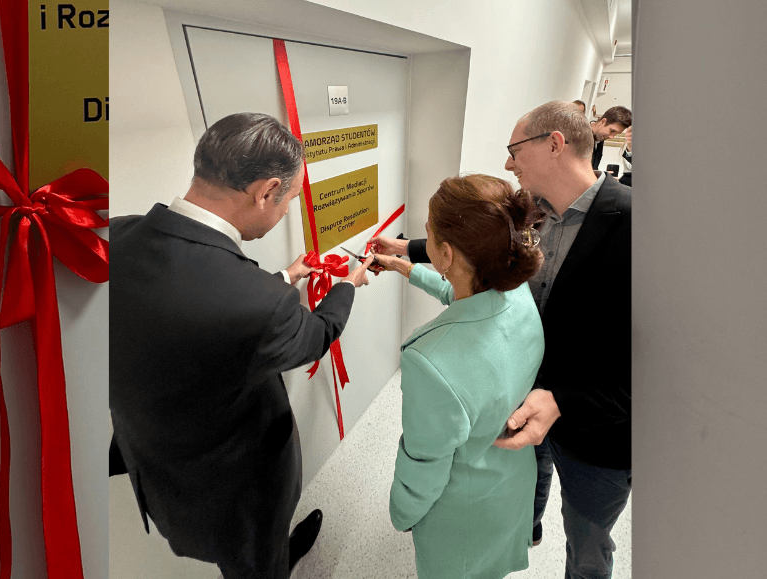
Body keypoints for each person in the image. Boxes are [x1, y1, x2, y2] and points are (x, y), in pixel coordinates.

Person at [371, 100, 631, 579]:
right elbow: (474, 270)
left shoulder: (638, 227)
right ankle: (524, 528)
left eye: (515, 150)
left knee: (589, 548)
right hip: (521, 413)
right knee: (531, 484)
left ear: (554, 145)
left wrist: (564, 400)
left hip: (598, 433)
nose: (508, 163)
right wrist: (410, 260)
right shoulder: (527, 225)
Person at [109, 112, 375, 579]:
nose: (287, 210)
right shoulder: (261, 304)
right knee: (256, 566)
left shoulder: (114, 237)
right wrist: (348, 285)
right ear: (266, 191)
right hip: (237, 491)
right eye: (289, 199)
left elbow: (194, 304)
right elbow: (317, 336)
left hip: (159, 464)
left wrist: (285, 278)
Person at [373, 174, 545, 578]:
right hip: (509, 484)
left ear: (445, 254)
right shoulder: (516, 291)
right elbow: (466, 297)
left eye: (428, 233)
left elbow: (425, 464)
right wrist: (406, 267)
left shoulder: (431, 363)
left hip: (461, 515)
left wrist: (402, 513)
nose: (425, 239)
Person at [590, 105, 632, 170]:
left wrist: (602, 175)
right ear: (603, 121)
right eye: (612, 131)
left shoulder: (599, 137)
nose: (611, 137)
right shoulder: (578, 135)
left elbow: (591, 169)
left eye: (617, 133)